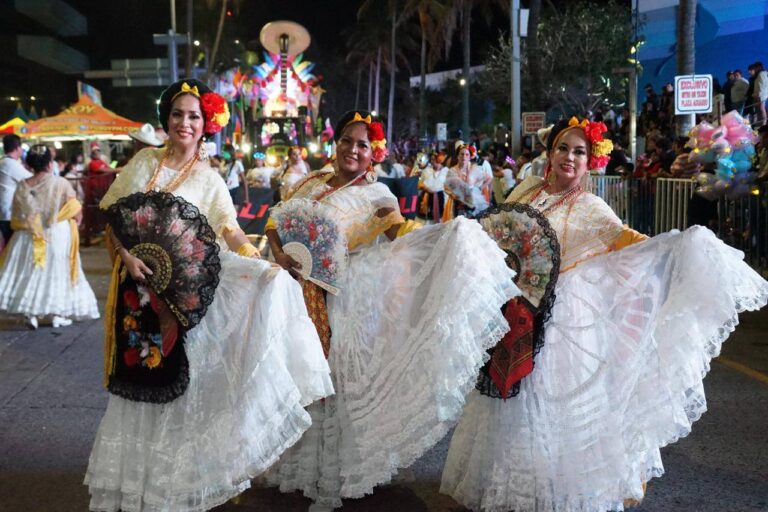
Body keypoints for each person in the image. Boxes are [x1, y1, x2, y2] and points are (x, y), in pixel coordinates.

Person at [441, 117, 768, 512]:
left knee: (550, 400)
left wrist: (681, 247)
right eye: (563, 148)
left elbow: (635, 245)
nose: (569, 157)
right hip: (515, 308)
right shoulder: (527, 189)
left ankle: (552, 487)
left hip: (563, 320)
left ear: (590, 161)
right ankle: (510, 483)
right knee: (510, 398)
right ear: (551, 153)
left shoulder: (593, 208)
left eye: (580, 151)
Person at [84, 79, 333, 511]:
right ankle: (138, 483)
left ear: (206, 125)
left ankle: (178, 486)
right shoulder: (144, 162)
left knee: (183, 388)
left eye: (194, 116)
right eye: (178, 114)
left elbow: (229, 229)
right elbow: (114, 215)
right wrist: (127, 256)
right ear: (167, 119)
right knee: (143, 380)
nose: (185, 122)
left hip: (184, 299)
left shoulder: (209, 178)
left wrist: (258, 261)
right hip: (138, 290)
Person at [263, 110, 518, 510]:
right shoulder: (310, 182)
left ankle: (335, 476)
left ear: (373, 153)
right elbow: (277, 221)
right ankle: (300, 468)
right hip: (300, 295)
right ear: (335, 144)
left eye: (362, 144)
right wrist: (280, 253)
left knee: (336, 382)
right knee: (300, 378)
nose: (352, 149)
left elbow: (402, 234)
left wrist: (447, 236)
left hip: (348, 299)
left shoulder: (377, 195)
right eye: (346, 140)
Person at [0, 144, 99, 329]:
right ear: (49, 164)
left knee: (30, 271)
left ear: (30, 165)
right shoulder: (60, 183)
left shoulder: (22, 185)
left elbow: (17, 213)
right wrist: (75, 222)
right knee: (57, 270)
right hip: (57, 232)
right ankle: (55, 313)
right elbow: (75, 210)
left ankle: (31, 312)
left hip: (27, 234)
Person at [442, 144, 491, 220]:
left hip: (473, 204)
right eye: (462, 154)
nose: (464, 156)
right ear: (458, 156)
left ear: (470, 157)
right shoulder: (452, 170)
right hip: (457, 204)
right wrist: (457, 197)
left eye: (466, 154)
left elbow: (489, 178)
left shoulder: (474, 168)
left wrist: (480, 188)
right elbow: (446, 188)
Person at [0, 134, 32, 245]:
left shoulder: (3, 162)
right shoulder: (10, 164)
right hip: (8, 214)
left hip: (4, 212)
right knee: (10, 246)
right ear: (18, 148)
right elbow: (31, 180)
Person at [417, 151, 449, 223]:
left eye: (435, 159)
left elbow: (449, 186)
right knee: (426, 222)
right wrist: (425, 187)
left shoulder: (446, 171)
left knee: (441, 221)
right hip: (427, 198)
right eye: (431, 159)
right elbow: (419, 184)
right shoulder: (426, 171)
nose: (433, 161)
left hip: (442, 198)